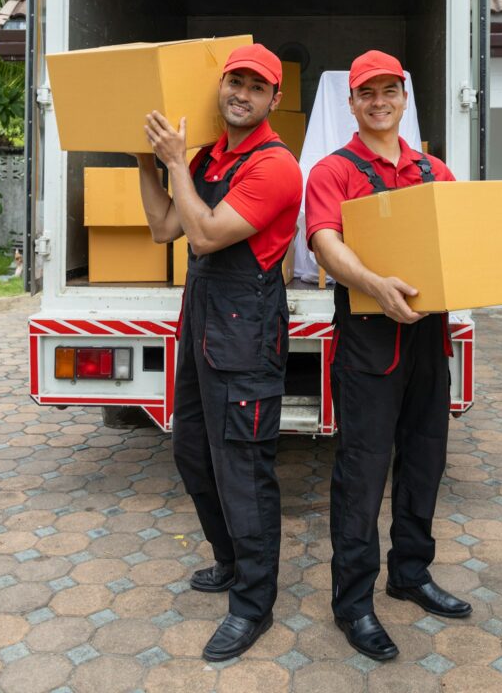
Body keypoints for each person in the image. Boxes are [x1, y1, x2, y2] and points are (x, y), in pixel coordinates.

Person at [135, 43, 302, 662]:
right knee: (192, 451)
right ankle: (231, 563)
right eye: (235, 81)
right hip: (204, 320)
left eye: (256, 87)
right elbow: (162, 229)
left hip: (247, 327)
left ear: (274, 100)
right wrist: (145, 162)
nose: (241, 93)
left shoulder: (276, 166)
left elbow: (202, 235)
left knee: (243, 467)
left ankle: (254, 603)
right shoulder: (207, 157)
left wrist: (176, 163)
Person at [305, 49, 472, 662]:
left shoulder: (436, 171)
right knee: (362, 475)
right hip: (368, 344)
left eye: (389, 91)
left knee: (426, 460)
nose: (379, 103)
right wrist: (374, 284)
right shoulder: (333, 171)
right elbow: (325, 242)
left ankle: (410, 573)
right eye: (366, 93)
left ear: (404, 98)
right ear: (351, 103)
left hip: (429, 339)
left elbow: (468, 246)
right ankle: (353, 604)